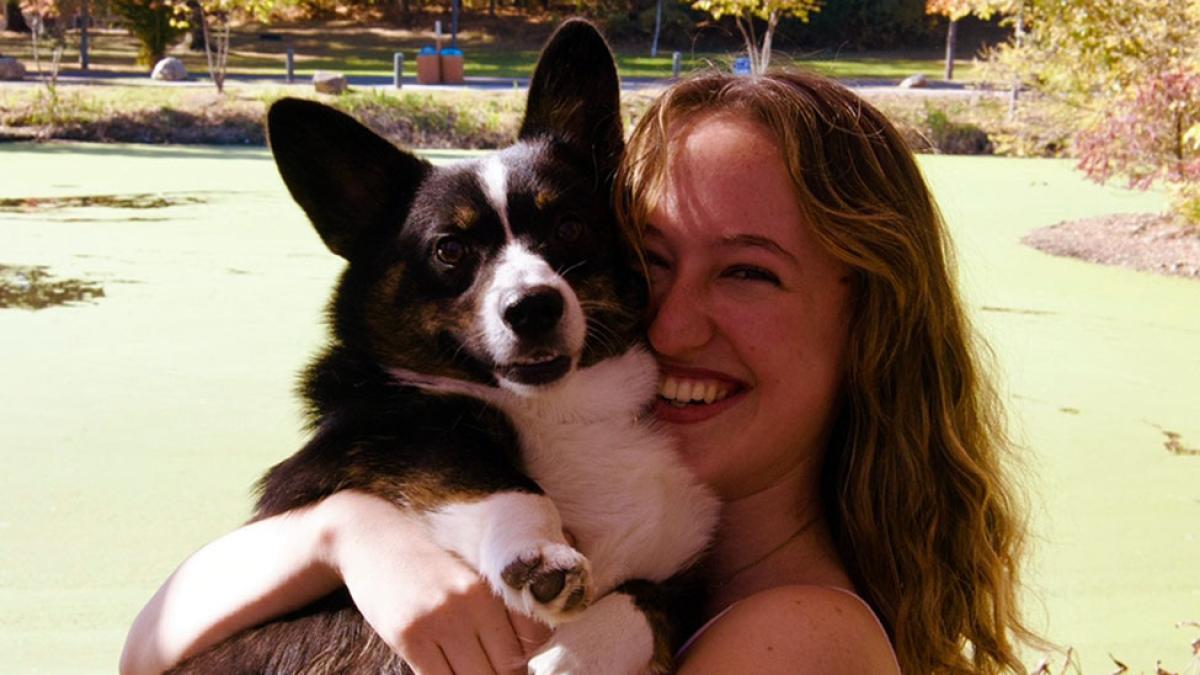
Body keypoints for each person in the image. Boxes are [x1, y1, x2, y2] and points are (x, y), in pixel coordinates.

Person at [121, 70, 1033, 675]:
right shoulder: (579, 502)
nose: (667, 321)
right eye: (649, 257)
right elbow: (146, 648)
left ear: (872, 318)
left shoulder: (792, 639)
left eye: (749, 271)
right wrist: (346, 531)